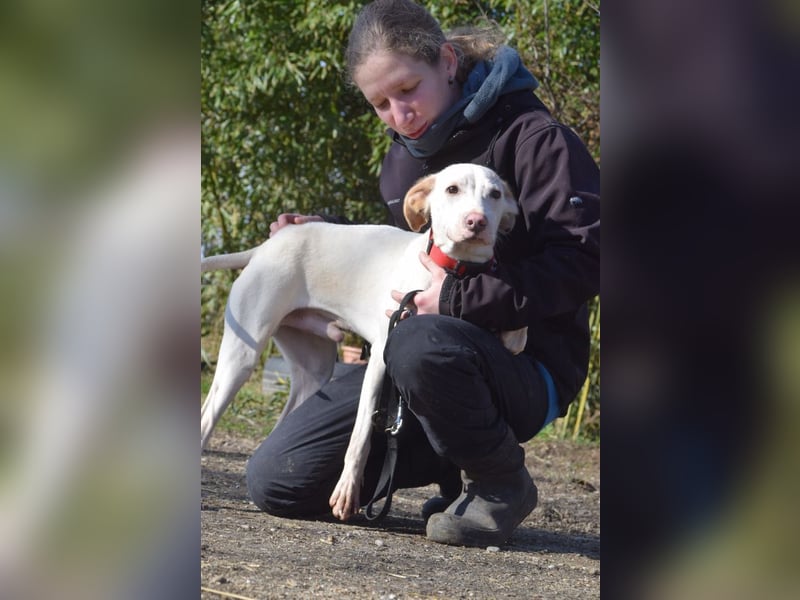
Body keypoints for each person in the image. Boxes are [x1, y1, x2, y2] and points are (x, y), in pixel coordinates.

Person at [247, 0, 599, 547]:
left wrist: (458, 300)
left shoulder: (535, 139)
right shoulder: (403, 163)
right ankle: (446, 463)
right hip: (422, 369)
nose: (399, 114)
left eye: (407, 89)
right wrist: (323, 233)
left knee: (421, 337)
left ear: (449, 62)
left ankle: (499, 481)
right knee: (278, 481)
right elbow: (408, 250)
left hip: (526, 372)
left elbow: (585, 261)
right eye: (380, 104)